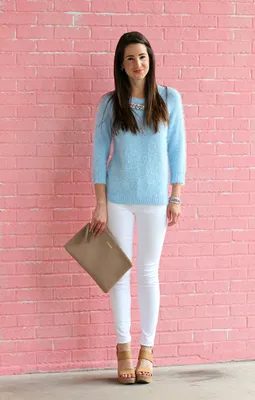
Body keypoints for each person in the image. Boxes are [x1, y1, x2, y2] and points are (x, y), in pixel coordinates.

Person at [90, 31, 186, 384]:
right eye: (130, 58)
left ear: (151, 60)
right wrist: (100, 204)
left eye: (142, 57)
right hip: (117, 199)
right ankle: (124, 349)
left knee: (148, 271)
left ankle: (148, 350)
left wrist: (176, 196)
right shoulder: (109, 103)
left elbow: (177, 151)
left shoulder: (169, 99)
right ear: (121, 63)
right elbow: (99, 155)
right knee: (119, 274)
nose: (137, 64)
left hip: (156, 200)